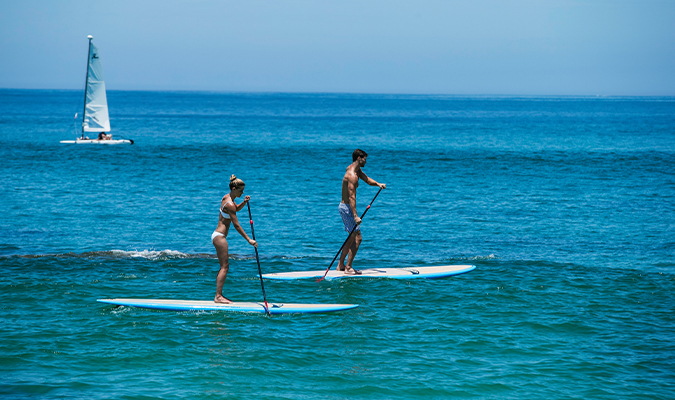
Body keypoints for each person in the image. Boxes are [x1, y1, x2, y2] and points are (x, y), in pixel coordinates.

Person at [338, 149, 386, 274]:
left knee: (351, 238)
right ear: (359, 158)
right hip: (347, 208)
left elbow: (367, 179)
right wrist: (355, 216)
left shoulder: (354, 169)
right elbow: (351, 197)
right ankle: (348, 268)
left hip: (345, 207)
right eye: (365, 158)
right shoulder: (352, 176)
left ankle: (341, 265)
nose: (366, 161)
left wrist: (378, 184)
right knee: (358, 239)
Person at [211, 175, 258, 303]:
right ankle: (218, 296)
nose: (242, 193)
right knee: (224, 267)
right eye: (240, 191)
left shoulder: (226, 198)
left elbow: (235, 209)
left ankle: (218, 295)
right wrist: (249, 240)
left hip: (217, 235)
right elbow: (236, 225)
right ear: (233, 188)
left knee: (224, 266)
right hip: (220, 237)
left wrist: (243, 202)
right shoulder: (230, 203)